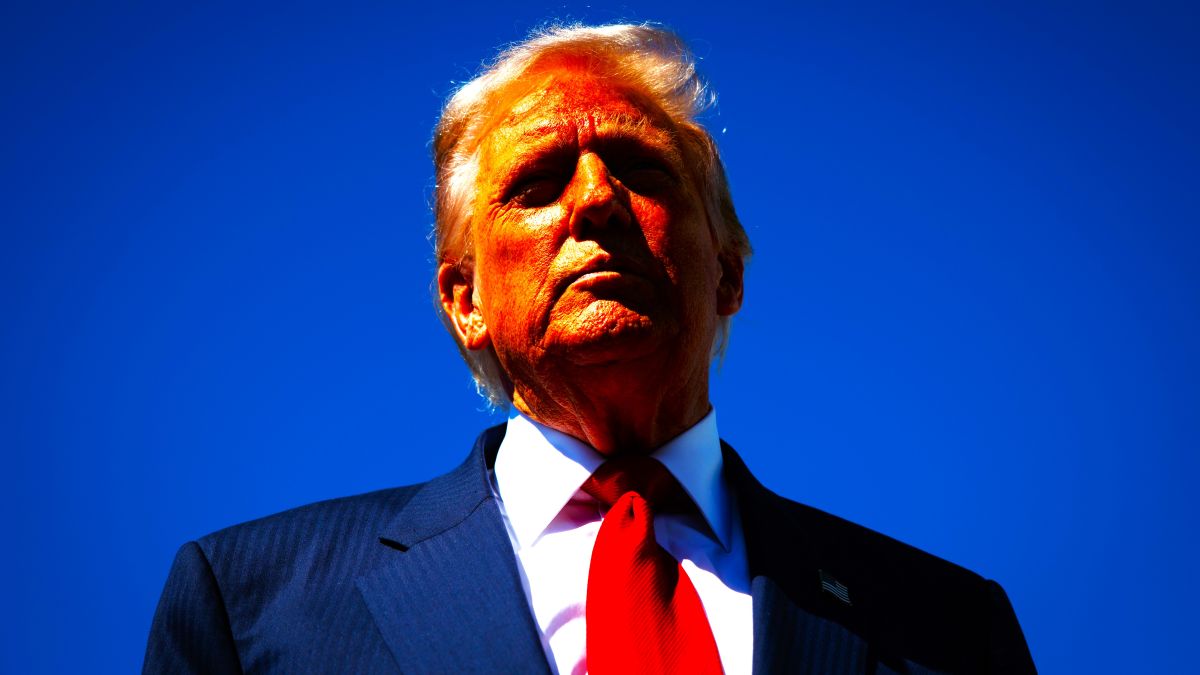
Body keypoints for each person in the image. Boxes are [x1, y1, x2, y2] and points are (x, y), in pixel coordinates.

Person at [144, 23, 1036, 674]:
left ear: (727, 272)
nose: (596, 202)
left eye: (641, 169)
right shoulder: (253, 605)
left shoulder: (948, 625)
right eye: (536, 184)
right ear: (465, 301)